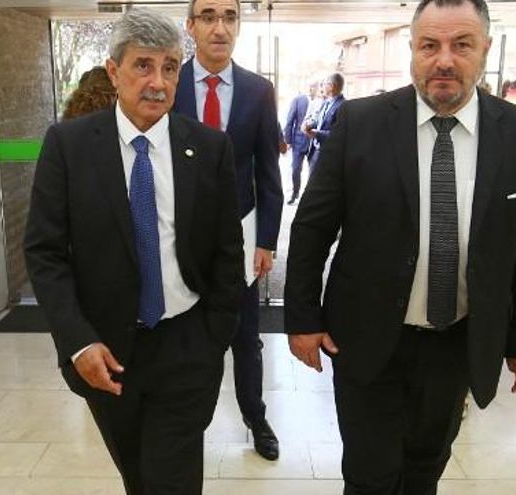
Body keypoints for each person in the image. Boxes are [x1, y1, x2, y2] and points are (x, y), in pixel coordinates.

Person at [284, 0, 516, 493]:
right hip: (366, 336)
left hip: (458, 341)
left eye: (461, 45)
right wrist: (302, 316)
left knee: (425, 467)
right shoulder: (362, 122)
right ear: (413, 49)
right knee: (370, 475)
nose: (444, 60)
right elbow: (311, 227)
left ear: (486, 49)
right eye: (429, 45)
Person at [24, 8, 244, 495]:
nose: (158, 82)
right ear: (113, 71)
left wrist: (214, 339)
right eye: (143, 65)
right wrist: (78, 342)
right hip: (107, 352)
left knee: (173, 480)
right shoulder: (70, 145)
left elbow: (229, 252)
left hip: (188, 344)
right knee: (138, 476)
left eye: (169, 67)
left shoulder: (209, 149)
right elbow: (44, 252)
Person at [174, 0, 283, 461]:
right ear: (191, 25)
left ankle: (256, 417)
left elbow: (268, 171)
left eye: (230, 17)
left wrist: (266, 240)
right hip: (175, 235)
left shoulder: (258, 90)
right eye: (209, 16)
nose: (220, 27)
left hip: (238, 237)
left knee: (245, 336)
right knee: (182, 333)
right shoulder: (169, 82)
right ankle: (181, 420)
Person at [304, 72, 346, 172]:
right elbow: (318, 120)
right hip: (315, 151)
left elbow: (338, 134)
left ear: (331, 86)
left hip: (328, 155)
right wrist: (308, 125)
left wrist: (316, 133)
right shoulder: (326, 102)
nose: (322, 87)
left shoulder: (343, 106)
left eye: (324, 84)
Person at [283, 82, 316, 205]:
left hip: (314, 142)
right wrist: (288, 141)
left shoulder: (321, 101)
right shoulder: (298, 100)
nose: (312, 88)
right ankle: (295, 193)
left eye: (315, 86)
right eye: (310, 85)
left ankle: (309, 196)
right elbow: (289, 121)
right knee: (296, 169)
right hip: (298, 141)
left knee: (313, 171)